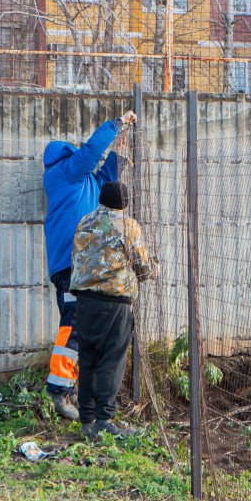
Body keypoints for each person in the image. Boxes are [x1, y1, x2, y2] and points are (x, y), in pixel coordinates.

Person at [41, 110, 138, 420]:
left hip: (82, 269)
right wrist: (116, 124)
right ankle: (59, 388)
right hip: (71, 268)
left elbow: (107, 176)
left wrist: (120, 150)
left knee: (83, 327)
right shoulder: (64, 173)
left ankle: (71, 390)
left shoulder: (87, 185)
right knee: (73, 321)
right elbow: (92, 153)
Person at [69, 181, 156, 440]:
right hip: (114, 304)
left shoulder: (85, 222)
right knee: (111, 361)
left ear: (101, 200)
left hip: (84, 302)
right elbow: (144, 269)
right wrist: (154, 267)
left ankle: (87, 419)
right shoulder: (127, 226)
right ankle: (104, 419)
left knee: (88, 360)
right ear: (125, 203)